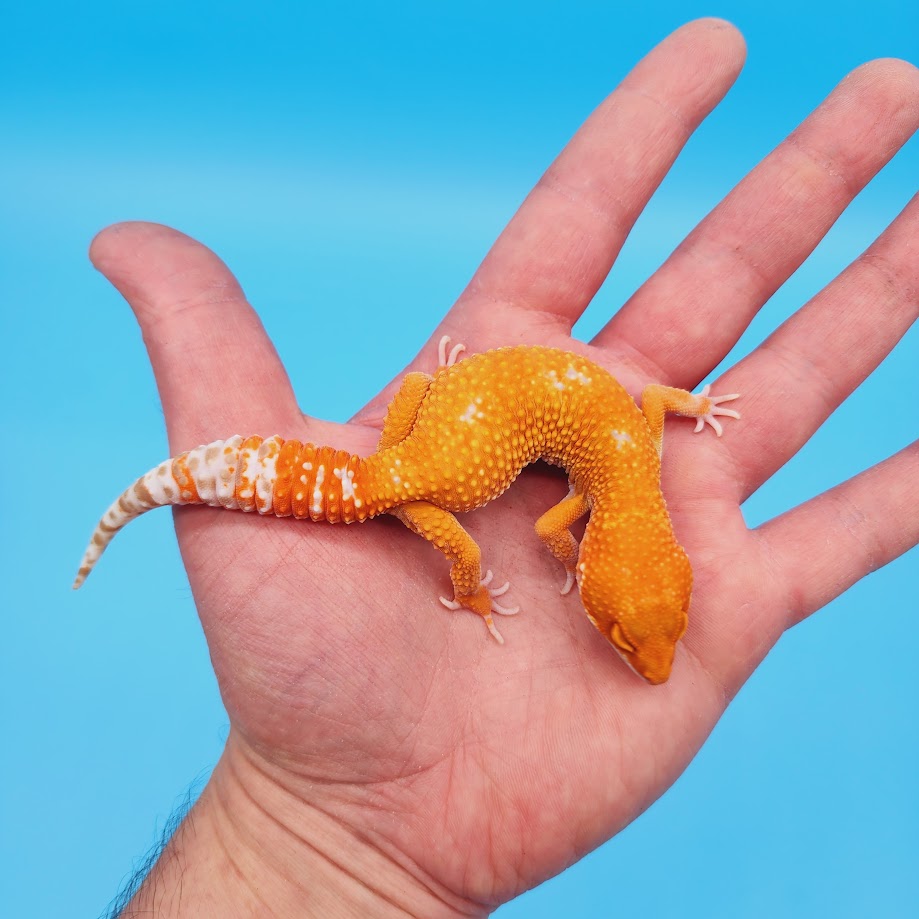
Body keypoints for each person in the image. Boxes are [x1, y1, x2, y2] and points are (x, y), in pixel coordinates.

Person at [94, 18, 918, 918]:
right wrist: (481, 585)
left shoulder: (625, 465)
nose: (648, 659)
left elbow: (641, 413)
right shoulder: (610, 488)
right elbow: (564, 504)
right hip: (422, 492)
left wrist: (684, 405)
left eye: (638, 634)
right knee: (464, 550)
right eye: (634, 633)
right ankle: (469, 590)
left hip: (426, 423)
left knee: (420, 440)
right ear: (655, 565)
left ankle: (391, 450)